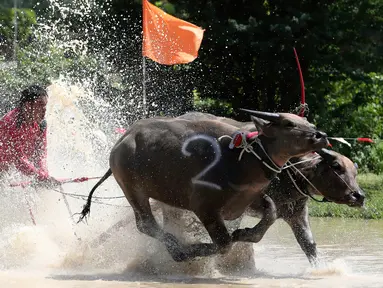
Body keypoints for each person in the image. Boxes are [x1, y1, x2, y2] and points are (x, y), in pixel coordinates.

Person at [0, 84, 60, 187]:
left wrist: (44, 173)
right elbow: (19, 160)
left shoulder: (41, 124)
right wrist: (41, 176)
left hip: (16, 166)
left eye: (45, 105)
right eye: (40, 104)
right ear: (28, 105)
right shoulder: (11, 123)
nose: (44, 109)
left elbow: (41, 152)